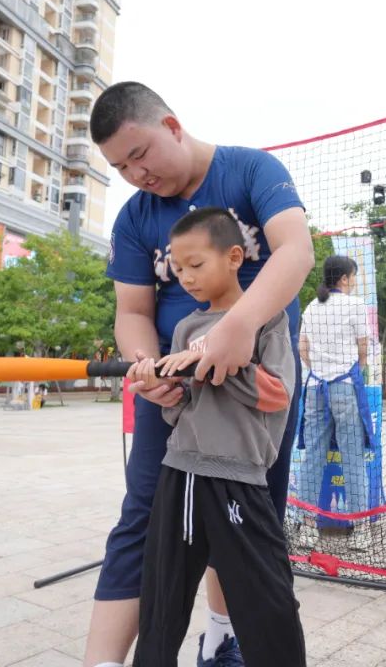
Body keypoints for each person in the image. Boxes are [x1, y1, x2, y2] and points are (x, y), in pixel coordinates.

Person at [88, 82, 313, 667]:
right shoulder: (136, 217)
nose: (136, 174)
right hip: (177, 393)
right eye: (120, 167)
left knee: (249, 514)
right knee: (144, 514)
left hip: (255, 390)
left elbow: (295, 251)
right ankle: (102, 660)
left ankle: (220, 637)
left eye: (140, 154)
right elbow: (133, 311)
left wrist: (239, 326)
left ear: (170, 125)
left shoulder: (250, 171)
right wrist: (144, 368)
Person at [131, 208, 304, 667]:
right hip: (180, 473)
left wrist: (222, 362)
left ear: (232, 257)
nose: (185, 277)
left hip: (239, 480)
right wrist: (161, 389)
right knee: (162, 598)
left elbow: (277, 395)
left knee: (269, 600)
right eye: (178, 268)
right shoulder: (186, 329)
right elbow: (181, 411)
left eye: (196, 265)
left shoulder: (266, 320)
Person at [296, 255, 372, 548]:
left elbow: (302, 347)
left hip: (315, 387)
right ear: (344, 278)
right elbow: (363, 348)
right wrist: (354, 370)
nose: (354, 281)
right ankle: (360, 529)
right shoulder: (355, 305)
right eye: (353, 276)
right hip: (344, 386)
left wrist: (320, 368)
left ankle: (307, 527)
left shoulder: (312, 306)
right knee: (352, 456)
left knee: (312, 456)